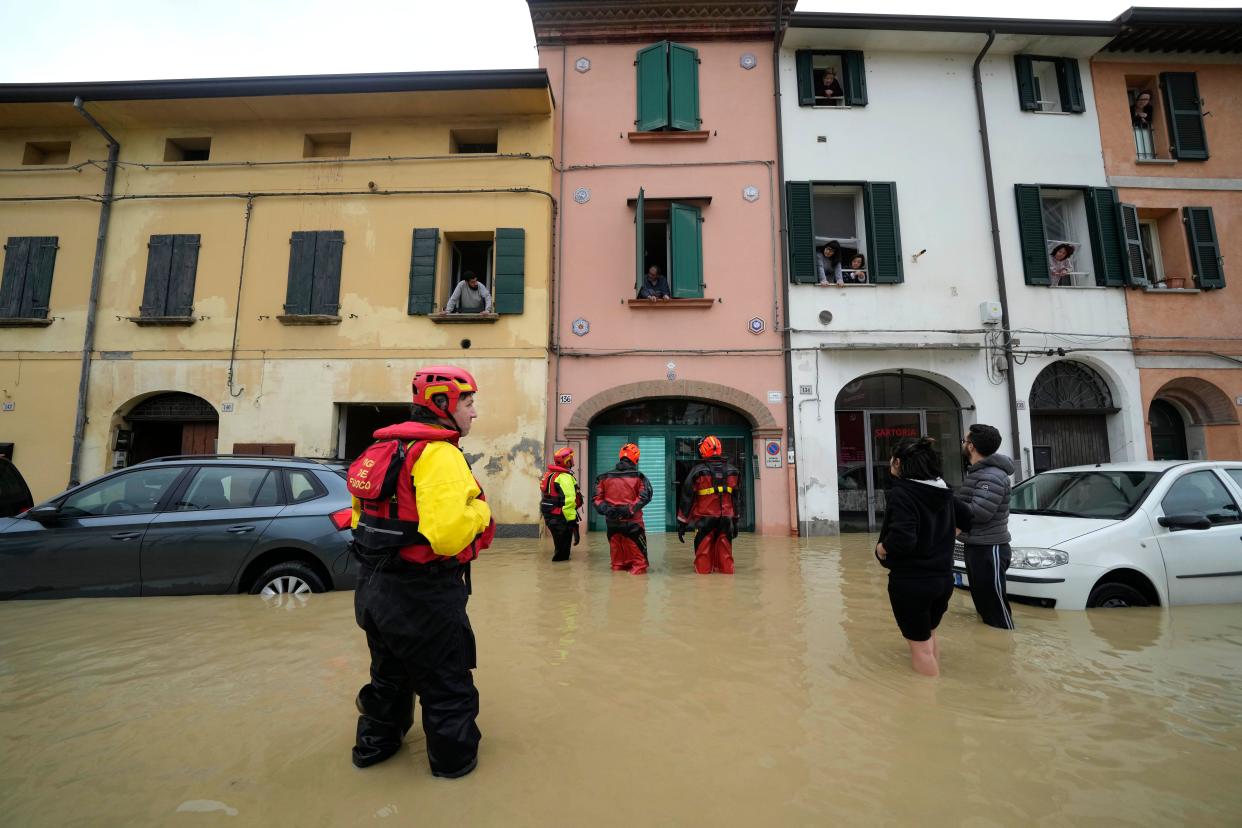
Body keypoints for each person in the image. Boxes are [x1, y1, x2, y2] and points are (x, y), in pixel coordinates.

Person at [349, 365, 494, 778]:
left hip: (374, 590)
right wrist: (481, 510)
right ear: (443, 404)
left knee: (387, 677)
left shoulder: (380, 448)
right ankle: (454, 767)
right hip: (424, 594)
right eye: (469, 403)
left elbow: (360, 515)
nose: (474, 413)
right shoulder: (439, 453)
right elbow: (447, 537)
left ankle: (373, 751)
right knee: (447, 685)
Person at [875, 437, 973, 677]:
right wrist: (945, 536)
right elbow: (968, 516)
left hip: (912, 582)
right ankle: (936, 695)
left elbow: (903, 540)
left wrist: (882, 548)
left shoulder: (902, 493)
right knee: (928, 636)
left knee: (920, 649)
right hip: (942, 580)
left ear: (898, 462)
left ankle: (927, 703)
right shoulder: (942, 490)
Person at [955, 423, 1016, 631]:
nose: (963, 444)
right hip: (978, 545)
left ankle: (1006, 649)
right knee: (984, 604)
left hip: (990, 549)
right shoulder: (979, 473)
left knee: (996, 609)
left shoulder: (991, 476)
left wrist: (947, 502)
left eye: (964, 441)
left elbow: (979, 512)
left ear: (971, 446)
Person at [677, 435, 742, 575]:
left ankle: (703, 590)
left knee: (703, 561)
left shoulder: (697, 471)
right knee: (726, 559)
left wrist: (682, 523)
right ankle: (727, 589)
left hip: (704, 520)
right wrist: (735, 522)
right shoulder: (733, 471)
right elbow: (736, 499)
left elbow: (687, 497)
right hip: (726, 520)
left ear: (703, 451)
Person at [593, 442, 653, 574]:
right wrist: (628, 510)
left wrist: (609, 510)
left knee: (617, 564)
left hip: (612, 523)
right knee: (639, 564)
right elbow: (646, 496)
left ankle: (617, 591)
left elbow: (596, 499)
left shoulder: (603, 477)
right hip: (633, 524)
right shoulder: (639, 476)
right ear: (636, 458)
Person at [540, 446, 582, 562]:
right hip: (561, 517)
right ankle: (560, 577)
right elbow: (569, 501)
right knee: (562, 553)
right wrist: (572, 520)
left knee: (559, 548)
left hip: (550, 515)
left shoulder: (549, 474)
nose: (572, 462)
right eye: (571, 459)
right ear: (566, 461)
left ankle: (557, 575)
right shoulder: (565, 477)